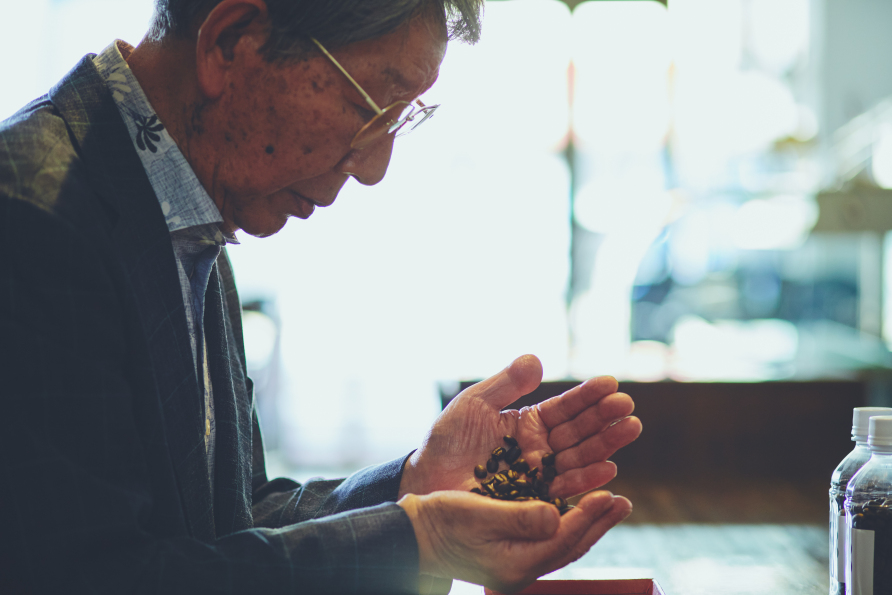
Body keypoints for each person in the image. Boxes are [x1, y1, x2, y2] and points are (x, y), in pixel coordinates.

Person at [0, 0, 643, 593]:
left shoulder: (181, 205)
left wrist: (413, 489)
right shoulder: (33, 216)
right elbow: (93, 577)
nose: (374, 167)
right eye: (373, 109)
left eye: (403, 119)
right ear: (231, 43)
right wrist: (419, 542)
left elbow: (231, 526)